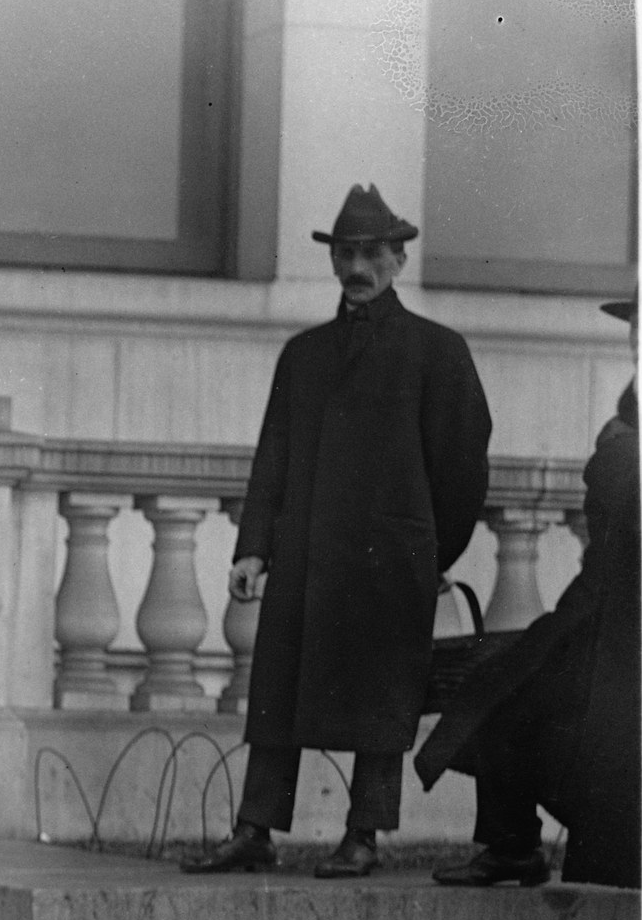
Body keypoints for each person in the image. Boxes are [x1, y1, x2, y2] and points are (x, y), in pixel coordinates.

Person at [186, 184, 493, 878]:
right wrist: (253, 546)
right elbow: (274, 456)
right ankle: (254, 829)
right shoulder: (304, 355)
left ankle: (363, 834)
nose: (358, 267)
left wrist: (431, 551)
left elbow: (463, 463)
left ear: (397, 259)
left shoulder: (435, 353)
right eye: (347, 253)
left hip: (390, 563)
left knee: (380, 702)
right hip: (305, 558)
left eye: (371, 254)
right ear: (333, 262)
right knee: (276, 696)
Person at [418, 298, 642, 894]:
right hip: (597, 604)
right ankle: (512, 844)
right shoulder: (633, 409)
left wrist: (619, 456)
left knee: (607, 740)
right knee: (501, 678)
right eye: (640, 326)